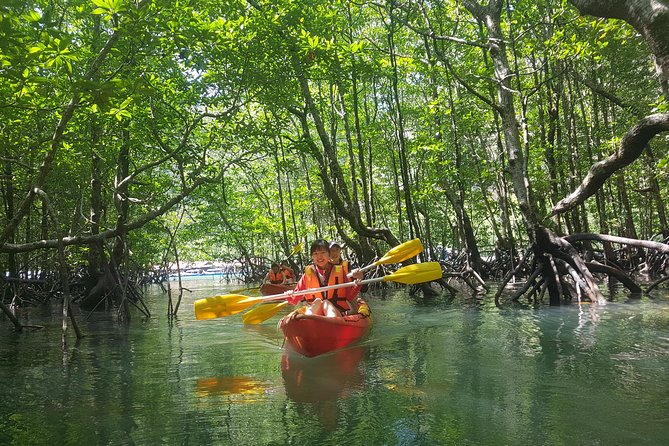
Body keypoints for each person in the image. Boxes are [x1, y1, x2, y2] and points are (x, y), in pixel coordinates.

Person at [285, 239, 363, 317]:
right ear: (312, 256)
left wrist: (358, 283)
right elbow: (295, 299)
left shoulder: (339, 271)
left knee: (326, 302)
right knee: (318, 302)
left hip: (336, 311)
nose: (319, 257)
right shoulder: (308, 274)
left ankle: (330, 322)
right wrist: (289, 295)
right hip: (316, 311)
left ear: (329, 254)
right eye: (315, 253)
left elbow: (349, 296)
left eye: (323, 252)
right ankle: (309, 322)